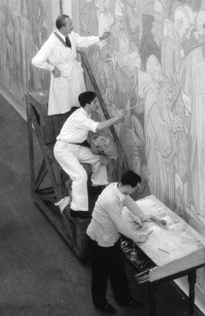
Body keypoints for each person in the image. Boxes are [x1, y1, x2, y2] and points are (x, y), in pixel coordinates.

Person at [86, 170, 153, 314]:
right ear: (128, 186)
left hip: (110, 239)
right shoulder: (110, 199)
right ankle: (100, 303)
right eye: (135, 188)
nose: (135, 191)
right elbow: (121, 226)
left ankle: (124, 299)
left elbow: (129, 202)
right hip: (98, 242)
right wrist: (138, 237)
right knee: (100, 275)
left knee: (118, 271)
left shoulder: (117, 188)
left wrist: (143, 216)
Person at [54, 91, 123, 219]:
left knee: (99, 159)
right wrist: (116, 118)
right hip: (63, 149)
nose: (96, 104)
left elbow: (85, 135)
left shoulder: (86, 114)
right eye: (95, 102)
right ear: (88, 104)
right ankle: (77, 209)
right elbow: (98, 127)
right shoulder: (80, 116)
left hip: (74, 147)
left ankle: (98, 185)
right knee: (80, 175)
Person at [32, 14, 109, 117]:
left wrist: (100, 38)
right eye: (70, 24)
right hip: (63, 77)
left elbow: (83, 41)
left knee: (77, 103)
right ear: (62, 27)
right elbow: (36, 60)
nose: (72, 26)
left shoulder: (71, 35)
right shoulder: (52, 42)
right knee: (64, 107)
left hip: (74, 75)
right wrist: (52, 68)